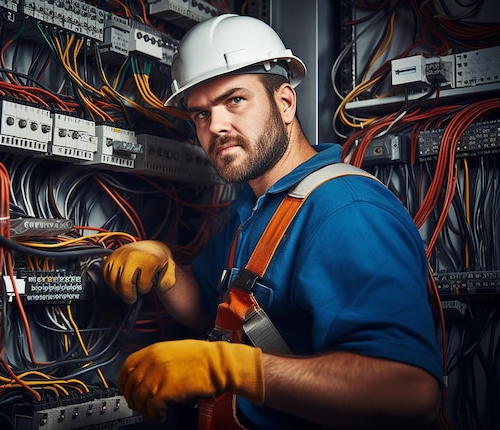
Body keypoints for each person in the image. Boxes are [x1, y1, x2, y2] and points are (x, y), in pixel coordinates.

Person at [102, 13, 444, 430]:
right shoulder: (256, 207)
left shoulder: (346, 210)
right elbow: (211, 308)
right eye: (200, 115)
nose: (217, 127)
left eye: (235, 100)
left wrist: (231, 369)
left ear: (285, 103)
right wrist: (166, 271)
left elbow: (411, 391)